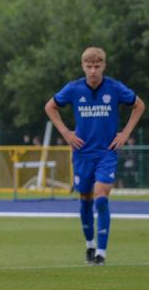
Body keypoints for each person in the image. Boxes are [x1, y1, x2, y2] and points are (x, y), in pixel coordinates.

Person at [44, 47, 144, 265]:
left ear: (104, 66)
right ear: (83, 67)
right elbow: (50, 106)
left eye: (97, 66)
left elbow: (139, 105)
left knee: (101, 197)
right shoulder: (74, 89)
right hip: (81, 153)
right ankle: (89, 244)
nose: (93, 71)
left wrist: (125, 133)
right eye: (89, 66)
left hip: (106, 153)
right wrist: (66, 133)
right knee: (85, 201)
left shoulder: (114, 88)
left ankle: (101, 252)